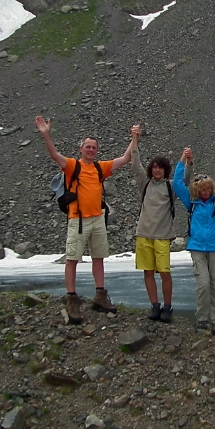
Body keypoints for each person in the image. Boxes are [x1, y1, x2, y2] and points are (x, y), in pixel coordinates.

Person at [36, 115, 136, 318]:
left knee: (98, 257)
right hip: (78, 219)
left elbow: (126, 159)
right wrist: (46, 134)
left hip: (98, 218)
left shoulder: (100, 167)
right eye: (88, 147)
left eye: (94, 147)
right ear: (81, 149)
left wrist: (134, 138)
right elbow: (55, 155)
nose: (91, 150)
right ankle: (72, 298)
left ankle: (100, 295)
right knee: (72, 258)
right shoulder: (73, 166)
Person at [174, 149, 215, 336]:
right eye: (202, 189)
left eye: (208, 188)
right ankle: (202, 318)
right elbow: (178, 184)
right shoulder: (191, 203)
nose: (205, 191)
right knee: (203, 284)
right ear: (196, 190)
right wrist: (183, 160)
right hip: (197, 247)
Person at [131, 137, 177, 323]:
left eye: (161, 167)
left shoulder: (170, 186)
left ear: (165, 170)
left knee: (165, 272)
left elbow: (185, 179)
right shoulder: (145, 183)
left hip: (162, 236)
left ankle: (167, 306)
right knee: (147, 272)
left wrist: (187, 162)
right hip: (144, 234)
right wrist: (134, 139)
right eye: (155, 167)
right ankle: (155, 305)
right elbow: (135, 164)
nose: (157, 169)